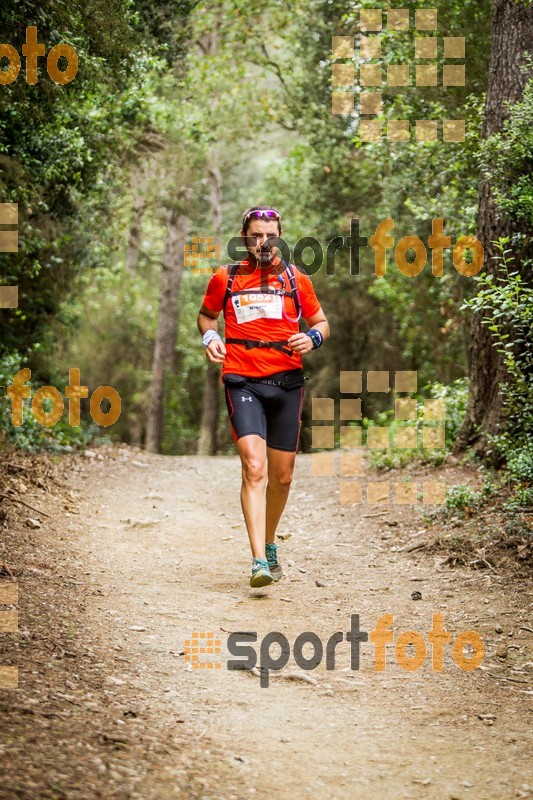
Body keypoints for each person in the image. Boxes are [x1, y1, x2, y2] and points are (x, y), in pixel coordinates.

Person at [197, 206, 330, 587]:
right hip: (243, 380)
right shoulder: (225, 277)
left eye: (269, 236)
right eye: (255, 236)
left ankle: (270, 543)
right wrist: (210, 336)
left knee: (283, 477)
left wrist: (313, 336)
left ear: (280, 236)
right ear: (244, 239)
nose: (263, 243)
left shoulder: (296, 279)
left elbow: (321, 321)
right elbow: (206, 316)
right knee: (254, 467)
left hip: (287, 382)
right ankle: (259, 560)